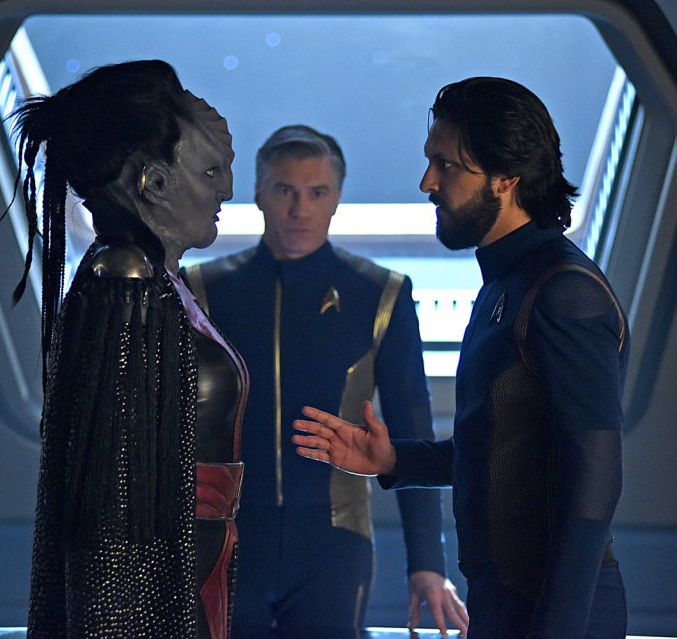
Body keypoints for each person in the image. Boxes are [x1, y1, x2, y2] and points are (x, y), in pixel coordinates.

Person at [293, 77, 629, 638]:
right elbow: (504, 448)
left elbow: (594, 479)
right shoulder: (508, 284)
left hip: (554, 612)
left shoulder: (563, 292)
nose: (427, 182)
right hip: (509, 602)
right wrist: (394, 460)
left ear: (506, 178)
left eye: (445, 165)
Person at [182, 125, 467, 637]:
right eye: (284, 190)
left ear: (337, 198)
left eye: (317, 192)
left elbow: (412, 432)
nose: (300, 209)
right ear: (258, 194)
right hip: (223, 538)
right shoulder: (201, 290)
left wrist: (428, 564)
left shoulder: (380, 293)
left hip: (333, 545)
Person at [7, 60, 246, 638]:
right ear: (154, 184)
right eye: (211, 171)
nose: (227, 190)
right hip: (158, 587)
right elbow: (114, 506)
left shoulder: (154, 282)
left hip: (187, 566)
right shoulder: (127, 282)